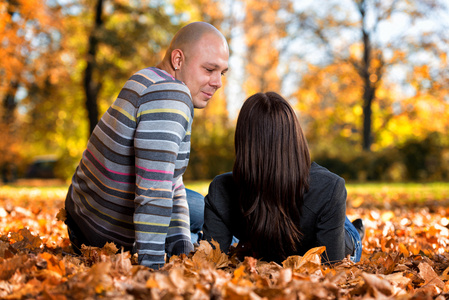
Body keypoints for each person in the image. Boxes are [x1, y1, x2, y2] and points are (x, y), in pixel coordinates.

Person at [64, 22, 229, 269]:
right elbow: (154, 189)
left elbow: (172, 180)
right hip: (105, 237)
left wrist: (180, 248)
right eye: (209, 69)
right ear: (178, 60)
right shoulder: (171, 95)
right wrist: (150, 269)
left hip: (82, 221)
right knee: (224, 217)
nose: (217, 82)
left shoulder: (146, 78)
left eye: (222, 72)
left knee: (198, 206)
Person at [202, 92, 364, 264]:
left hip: (341, 238)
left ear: (242, 142)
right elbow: (212, 262)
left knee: (344, 228)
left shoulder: (329, 188)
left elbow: (331, 267)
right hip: (302, 214)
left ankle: (356, 230)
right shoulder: (221, 190)